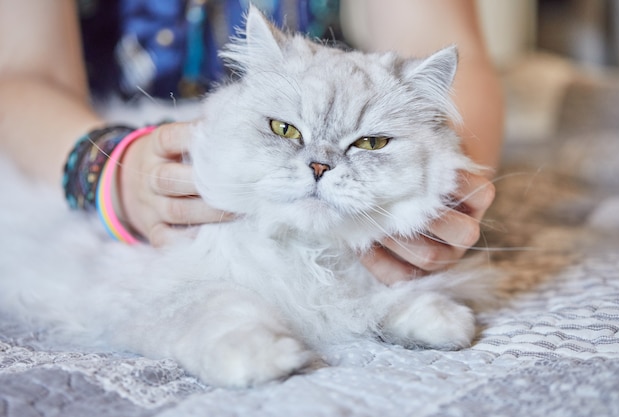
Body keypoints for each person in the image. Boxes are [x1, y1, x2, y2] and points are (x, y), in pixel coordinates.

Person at [0, 0, 502, 285]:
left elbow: (444, 50)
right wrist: (112, 169)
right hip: (86, 128)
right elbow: (22, 73)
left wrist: (441, 187)